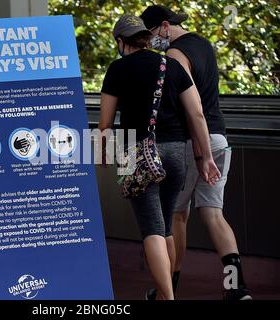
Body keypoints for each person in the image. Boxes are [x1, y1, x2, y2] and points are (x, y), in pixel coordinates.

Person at [99, 14, 220, 300]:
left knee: (151, 230)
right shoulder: (172, 64)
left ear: (121, 40)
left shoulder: (117, 69)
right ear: (144, 37)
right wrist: (206, 158)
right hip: (176, 150)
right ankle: (167, 294)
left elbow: (105, 124)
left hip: (133, 150)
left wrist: (103, 152)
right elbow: (197, 113)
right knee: (165, 227)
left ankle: (168, 298)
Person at [140, 5, 252, 300]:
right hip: (219, 136)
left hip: (195, 143)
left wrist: (202, 156)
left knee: (177, 215)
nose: (150, 42)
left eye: (150, 34)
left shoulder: (175, 56)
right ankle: (236, 289)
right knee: (215, 215)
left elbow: (193, 110)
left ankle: (169, 288)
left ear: (164, 26)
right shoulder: (203, 44)